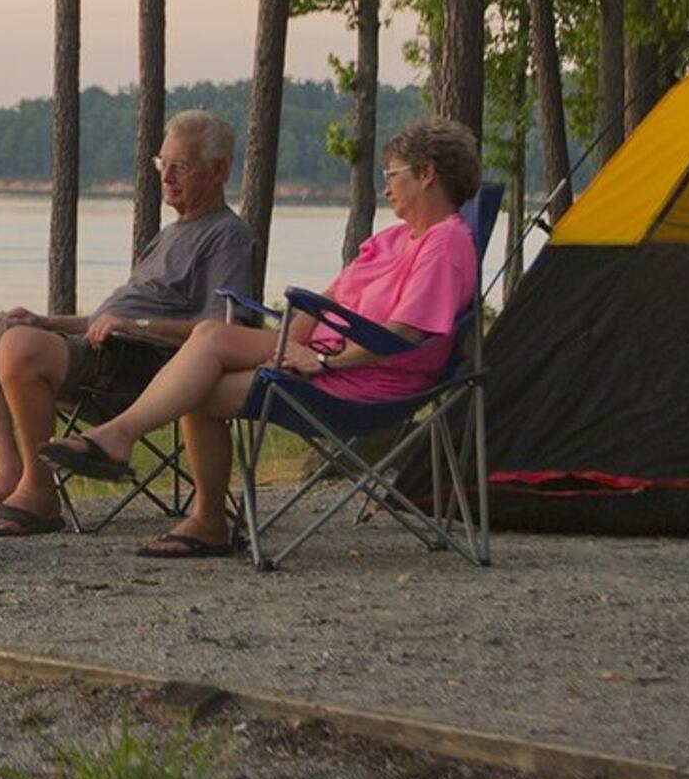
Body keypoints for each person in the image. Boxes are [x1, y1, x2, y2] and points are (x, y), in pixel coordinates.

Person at [41, 114, 484, 558]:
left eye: (392, 175)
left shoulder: (445, 243)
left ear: (427, 174)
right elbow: (324, 302)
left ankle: (136, 454)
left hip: (370, 381)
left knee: (208, 353)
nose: (386, 188)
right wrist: (289, 346)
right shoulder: (391, 240)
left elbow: (407, 331)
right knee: (203, 361)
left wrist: (324, 361)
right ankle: (195, 509)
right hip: (326, 358)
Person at [0, 110, 259, 538]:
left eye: (180, 166)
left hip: (143, 368)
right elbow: (108, 320)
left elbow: (223, 327)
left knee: (20, 347)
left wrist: (138, 325)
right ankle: (7, 474)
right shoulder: (170, 234)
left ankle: (39, 494)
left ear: (218, 170)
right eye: (162, 164)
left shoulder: (227, 236)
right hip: (103, 350)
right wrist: (46, 321)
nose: (166, 177)